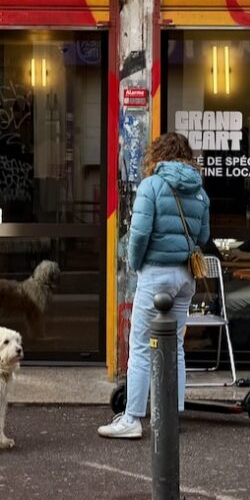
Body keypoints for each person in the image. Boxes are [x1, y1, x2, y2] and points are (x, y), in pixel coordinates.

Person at [99, 132, 209, 440]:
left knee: (140, 346)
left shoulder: (151, 185)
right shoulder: (200, 191)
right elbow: (203, 237)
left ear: (157, 154)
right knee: (174, 345)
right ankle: (171, 415)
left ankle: (132, 419)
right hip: (186, 277)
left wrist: (135, 264)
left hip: (156, 274)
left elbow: (139, 233)